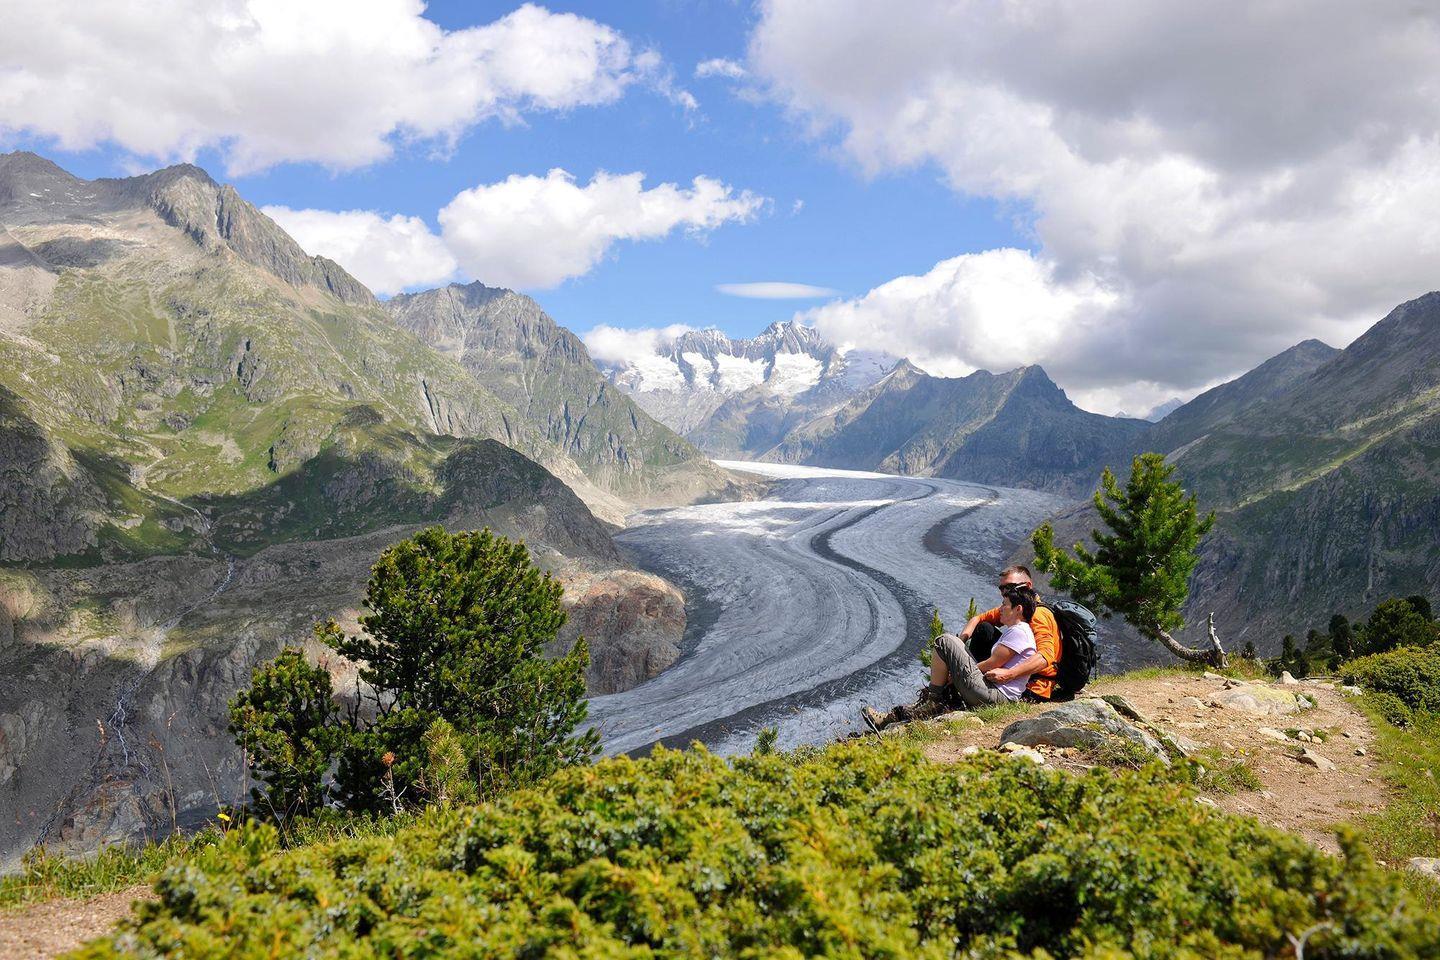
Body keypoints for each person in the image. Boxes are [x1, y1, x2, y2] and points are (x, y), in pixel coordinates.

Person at [862, 583, 1042, 731]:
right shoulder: (1018, 631)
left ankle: (934, 701)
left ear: (1018, 609)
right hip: (994, 693)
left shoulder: (1019, 632)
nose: (1000, 609)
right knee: (950, 645)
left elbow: (992, 663)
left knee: (944, 641)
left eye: (1005, 604)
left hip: (995, 695)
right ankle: (929, 702)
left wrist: (956, 674)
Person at [963, 565, 1061, 702]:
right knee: (984, 628)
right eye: (1001, 588)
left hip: (1034, 686)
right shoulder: (1015, 609)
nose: (1004, 592)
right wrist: (961, 642)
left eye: (1009, 587)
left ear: (1028, 586)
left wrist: (1009, 674)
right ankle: (967, 681)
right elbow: (977, 619)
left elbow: (1046, 657)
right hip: (1022, 678)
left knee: (984, 630)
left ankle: (966, 684)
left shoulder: (1038, 615)